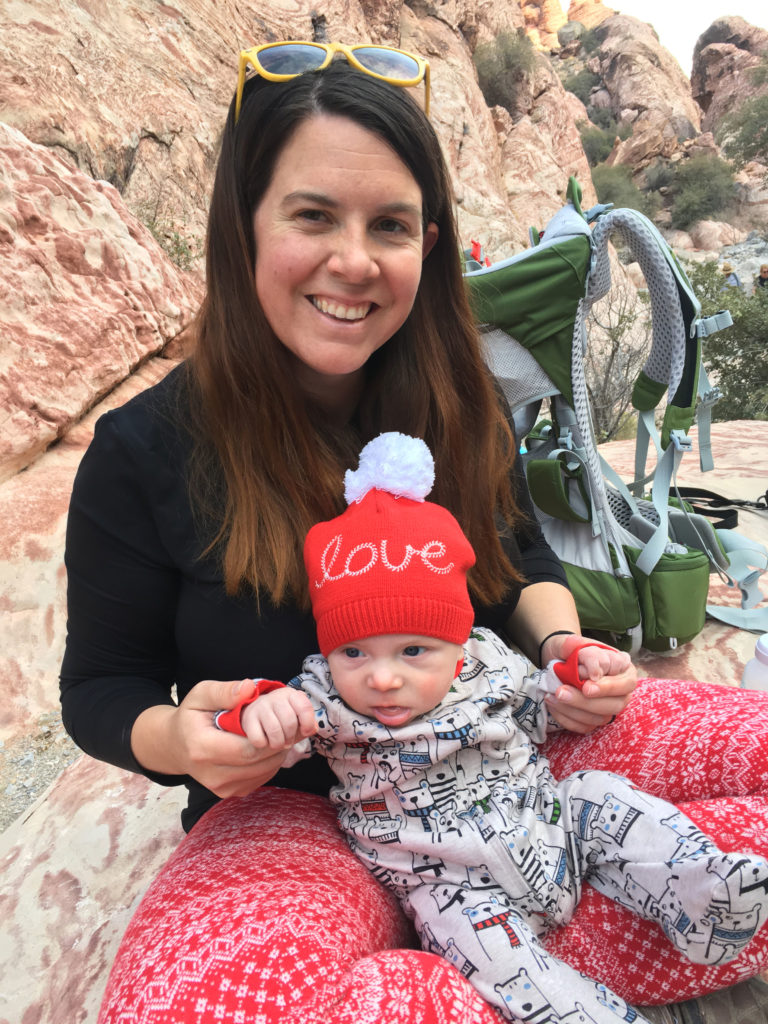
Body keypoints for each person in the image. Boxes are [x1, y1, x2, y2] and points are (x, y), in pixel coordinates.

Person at [58, 42, 768, 1023]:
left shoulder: (458, 398)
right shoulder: (142, 451)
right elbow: (101, 687)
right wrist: (183, 739)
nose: (354, 260)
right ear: (242, 224)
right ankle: (500, 963)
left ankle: (489, 958)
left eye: (389, 224)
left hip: (510, 760)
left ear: (427, 243)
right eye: (312, 214)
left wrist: (564, 650)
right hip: (294, 815)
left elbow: (522, 556)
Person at [222, 431, 768, 1024]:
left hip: (551, 830)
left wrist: (574, 677)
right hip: (454, 890)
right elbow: (265, 732)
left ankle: (704, 898)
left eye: (412, 651)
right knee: (488, 957)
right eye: (354, 652)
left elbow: (541, 705)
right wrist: (256, 709)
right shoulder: (325, 697)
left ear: (457, 646)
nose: (380, 679)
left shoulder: (487, 662)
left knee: (598, 793)